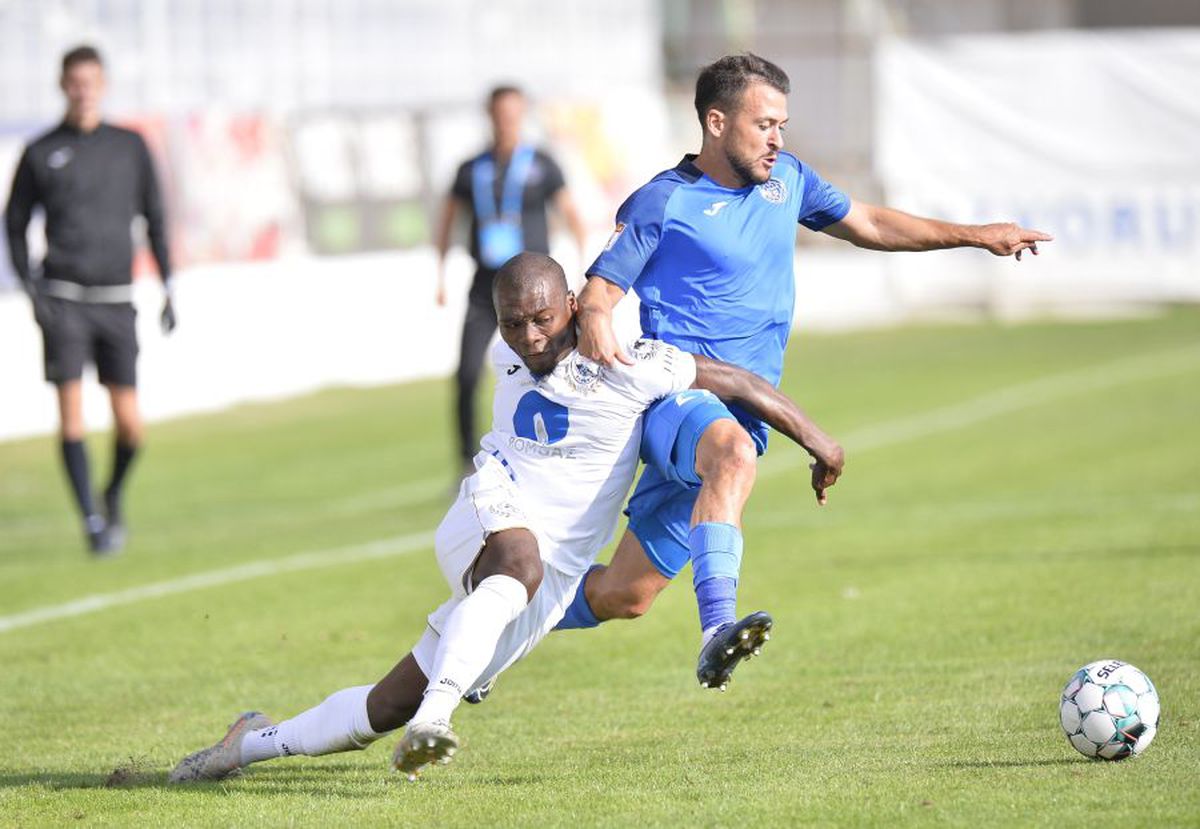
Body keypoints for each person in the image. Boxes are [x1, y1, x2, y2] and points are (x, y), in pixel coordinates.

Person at [168, 252, 843, 783]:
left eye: (542, 318)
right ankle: (436, 719)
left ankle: (250, 743)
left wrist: (816, 438)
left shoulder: (631, 364)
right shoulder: (506, 354)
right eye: (513, 322)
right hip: (490, 506)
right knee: (515, 565)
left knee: (385, 703)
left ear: (573, 307)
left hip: (551, 569)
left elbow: (734, 381)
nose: (528, 335)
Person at [553, 52, 1054, 691]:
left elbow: (869, 222)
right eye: (763, 124)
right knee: (733, 455)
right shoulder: (663, 201)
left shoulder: (786, 181)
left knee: (625, 595)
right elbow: (599, 292)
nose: (777, 139)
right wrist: (596, 321)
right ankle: (716, 631)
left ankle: (496, 626)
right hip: (681, 400)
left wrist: (978, 234)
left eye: (781, 125)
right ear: (715, 121)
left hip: (747, 408)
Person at [4, 45, 175, 556]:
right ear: (62, 86)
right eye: (75, 83)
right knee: (72, 416)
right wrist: (32, 289)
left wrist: (169, 285)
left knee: (131, 425)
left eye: (91, 82)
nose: (83, 92)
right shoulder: (40, 152)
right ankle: (92, 524)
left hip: (116, 298)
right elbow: (13, 227)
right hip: (64, 299)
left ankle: (112, 494)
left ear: (103, 85)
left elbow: (156, 218)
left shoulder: (130, 145)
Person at [434, 84, 587, 481]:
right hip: (487, 291)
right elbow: (447, 218)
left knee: (555, 367)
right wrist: (440, 273)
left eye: (513, 115)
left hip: (536, 297)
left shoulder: (541, 165)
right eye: (499, 115)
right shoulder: (471, 170)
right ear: (489, 116)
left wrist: (580, 269)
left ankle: (560, 453)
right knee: (467, 374)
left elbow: (572, 214)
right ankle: (466, 463)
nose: (506, 123)